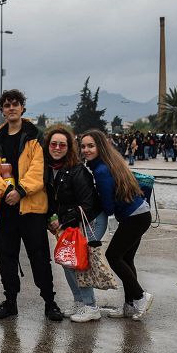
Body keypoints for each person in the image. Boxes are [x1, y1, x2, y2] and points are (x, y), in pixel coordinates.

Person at [0, 89, 62, 321]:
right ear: (2, 110)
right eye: (7, 105)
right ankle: (10, 301)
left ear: (23, 107)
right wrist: (7, 191)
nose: (11, 108)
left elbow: (39, 170)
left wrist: (21, 191)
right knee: (5, 257)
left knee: (39, 257)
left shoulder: (36, 136)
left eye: (15, 104)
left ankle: (50, 301)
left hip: (31, 209)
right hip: (5, 209)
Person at [81, 129, 154, 320]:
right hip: (141, 213)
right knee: (126, 259)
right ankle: (130, 305)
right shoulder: (110, 162)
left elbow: (108, 205)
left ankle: (140, 296)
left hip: (134, 218)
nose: (86, 150)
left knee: (113, 256)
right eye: (83, 146)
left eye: (91, 146)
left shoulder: (101, 170)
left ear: (100, 146)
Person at [43, 125, 107, 323]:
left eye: (62, 144)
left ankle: (91, 306)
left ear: (69, 147)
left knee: (78, 262)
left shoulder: (77, 170)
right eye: (54, 144)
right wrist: (52, 219)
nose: (57, 147)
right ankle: (80, 303)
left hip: (90, 221)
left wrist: (61, 221)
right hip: (68, 224)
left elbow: (87, 204)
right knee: (67, 261)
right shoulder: (47, 169)